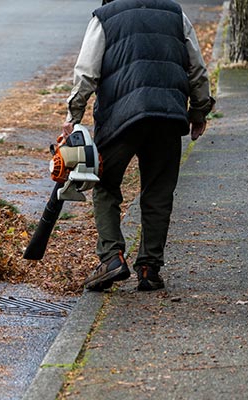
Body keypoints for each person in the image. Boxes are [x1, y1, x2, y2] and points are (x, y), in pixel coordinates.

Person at [63, 0, 215, 291]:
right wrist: (199, 111)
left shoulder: (105, 17)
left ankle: (111, 258)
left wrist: (74, 115)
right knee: (158, 191)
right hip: (167, 115)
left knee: (105, 184)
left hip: (122, 117)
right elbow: (197, 67)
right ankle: (148, 268)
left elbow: (86, 72)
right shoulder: (175, 14)